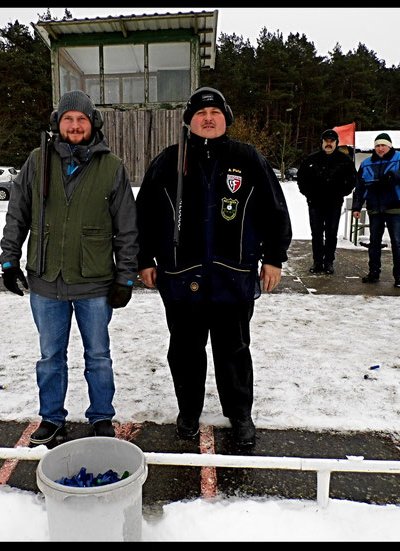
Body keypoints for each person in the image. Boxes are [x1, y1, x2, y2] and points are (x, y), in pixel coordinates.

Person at [136, 87, 292, 447]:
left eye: (216, 113)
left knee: (233, 351)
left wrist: (273, 258)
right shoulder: (168, 160)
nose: (208, 118)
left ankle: (239, 415)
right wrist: (144, 259)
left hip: (232, 278)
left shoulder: (248, 159)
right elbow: (144, 215)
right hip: (180, 277)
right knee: (185, 350)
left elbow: (275, 212)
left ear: (226, 119)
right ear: (189, 120)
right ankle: (188, 411)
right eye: (201, 113)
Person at [0, 90, 139, 446]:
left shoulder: (112, 166)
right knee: (50, 356)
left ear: (93, 123)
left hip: (94, 283)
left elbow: (127, 227)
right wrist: (9, 259)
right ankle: (52, 418)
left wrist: (125, 276)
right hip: (46, 281)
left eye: (81, 119)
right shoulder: (37, 160)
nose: (75, 125)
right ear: (57, 124)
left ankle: (102, 417)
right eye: (68, 119)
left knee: (98, 355)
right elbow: (18, 214)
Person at [351, 133, 400, 288]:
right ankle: (373, 272)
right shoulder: (366, 163)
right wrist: (357, 206)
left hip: (395, 206)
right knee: (374, 243)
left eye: (383, 145)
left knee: (397, 242)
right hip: (375, 207)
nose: (380, 149)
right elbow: (359, 187)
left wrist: (393, 175)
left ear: (390, 146)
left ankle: (399, 275)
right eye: (377, 146)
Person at [297, 129, 357, 274]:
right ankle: (317, 262)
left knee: (331, 234)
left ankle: (329, 262)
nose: (328, 144)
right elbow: (301, 179)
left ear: (336, 143)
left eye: (331, 141)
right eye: (326, 141)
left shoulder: (345, 160)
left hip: (334, 204)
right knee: (316, 234)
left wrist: (341, 193)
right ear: (322, 142)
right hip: (315, 203)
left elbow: (352, 180)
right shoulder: (311, 159)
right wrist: (309, 195)